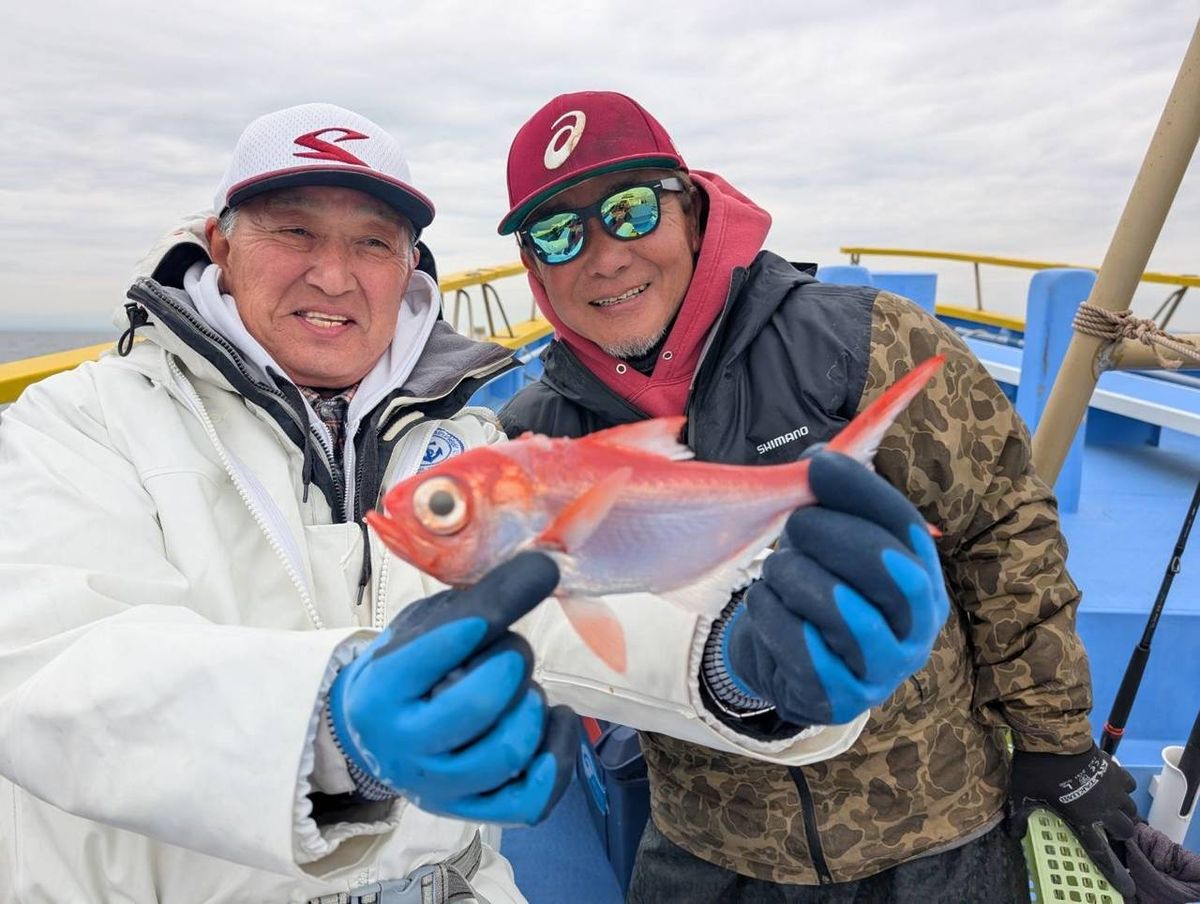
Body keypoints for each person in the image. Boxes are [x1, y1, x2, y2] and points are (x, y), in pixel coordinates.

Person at [0, 102, 937, 904]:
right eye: (293, 229)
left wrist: (744, 669)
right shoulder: (77, 426)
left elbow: (586, 617)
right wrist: (332, 730)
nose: (334, 274)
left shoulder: (475, 449)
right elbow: (44, 668)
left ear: (409, 269)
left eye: (371, 242)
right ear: (220, 244)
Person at [496, 90, 1141, 903]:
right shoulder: (532, 436)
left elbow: (1003, 530)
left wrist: (1054, 741)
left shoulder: (867, 340)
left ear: (690, 208)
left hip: (936, 827)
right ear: (535, 270)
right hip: (706, 841)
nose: (604, 256)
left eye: (628, 211)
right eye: (557, 233)